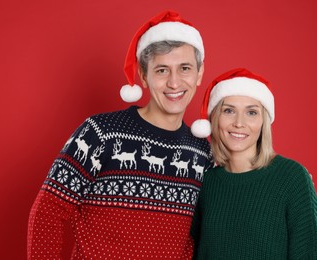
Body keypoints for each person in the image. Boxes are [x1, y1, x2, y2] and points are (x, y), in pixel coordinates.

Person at [27, 10, 213, 259]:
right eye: (161, 70)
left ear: (199, 74)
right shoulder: (100, 133)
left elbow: (205, 234)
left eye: (185, 68)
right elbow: (48, 211)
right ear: (144, 77)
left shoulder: (202, 153)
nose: (174, 82)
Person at [190, 68, 317, 259]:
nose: (239, 123)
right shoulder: (205, 183)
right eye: (229, 110)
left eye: (251, 112)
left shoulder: (291, 177)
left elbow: (313, 253)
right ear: (215, 118)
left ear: (263, 122)